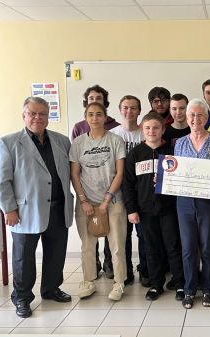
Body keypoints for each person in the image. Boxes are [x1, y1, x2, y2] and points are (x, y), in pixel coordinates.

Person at [0, 97, 73, 318]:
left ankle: (50, 289)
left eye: (42, 114)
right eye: (32, 113)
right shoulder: (8, 142)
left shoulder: (61, 141)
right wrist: (9, 208)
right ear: (24, 116)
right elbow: (2, 180)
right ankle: (22, 297)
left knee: (56, 253)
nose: (37, 118)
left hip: (58, 208)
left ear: (48, 117)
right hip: (24, 212)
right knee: (23, 257)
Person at [123, 111, 184, 301]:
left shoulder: (172, 152)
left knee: (173, 246)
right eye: (147, 128)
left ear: (163, 130)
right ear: (142, 130)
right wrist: (131, 209)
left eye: (156, 127)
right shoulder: (135, 154)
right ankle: (156, 285)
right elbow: (128, 184)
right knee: (151, 248)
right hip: (145, 211)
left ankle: (180, 283)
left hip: (169, 209)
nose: (152, 131)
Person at [70, 102, 127, 301]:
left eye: (99, 114)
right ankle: (89, 281)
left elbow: (120, 173)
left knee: (117, 245)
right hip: (86, 202)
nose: (95, 118)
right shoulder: (78, 143)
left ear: (105, 117)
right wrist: (84, 201)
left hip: (112, 201)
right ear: (86, 118)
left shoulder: (116, 140)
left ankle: (119, 283)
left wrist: (106, 200)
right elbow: (75, 174)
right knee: (87, 245)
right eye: (91, 115)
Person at [174, 98, 210, 309]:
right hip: (185, 203)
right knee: (188, 248)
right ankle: (189, 290)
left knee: (207, 247)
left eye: (199, 115)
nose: (195, 119)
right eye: (191, 115)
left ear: (206, 118)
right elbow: (175, 172)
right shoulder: (180, 143)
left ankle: (207, 289)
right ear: (186, 118)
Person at [71, 84, 117, 279]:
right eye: (91, 98)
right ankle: (93, 267)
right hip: (87, 193)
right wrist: (82, 198)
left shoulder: (115, 128)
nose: (95, 101)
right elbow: (75, 166)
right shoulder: (78, 130)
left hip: (111, 193)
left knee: (111, 233)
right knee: (89, 235)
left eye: (99, 98)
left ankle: (109, 264)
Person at [110, 95, 149, 287]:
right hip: (118, 193)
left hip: (140, 193)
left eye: (133, 108)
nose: (129, 112)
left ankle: (144, 270)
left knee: (143, 235)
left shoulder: (146, 132)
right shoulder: (113, 135)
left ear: (139, 111)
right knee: (122, 236)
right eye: (125, 108)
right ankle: (124, 272)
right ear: (119, 110)